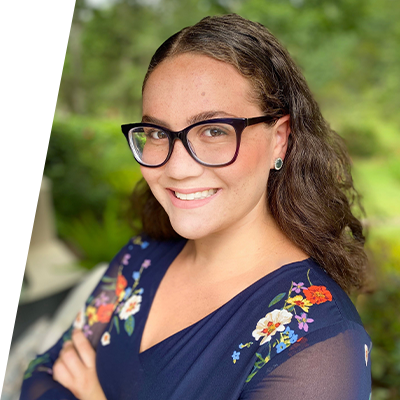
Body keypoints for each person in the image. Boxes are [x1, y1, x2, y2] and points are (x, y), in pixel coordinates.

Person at [20, 14, 372, 400]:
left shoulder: (319, 345)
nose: (177, 167)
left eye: (214, 131)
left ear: (279, 140)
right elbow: (41, 375)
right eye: (157, 133)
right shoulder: (142, 260)